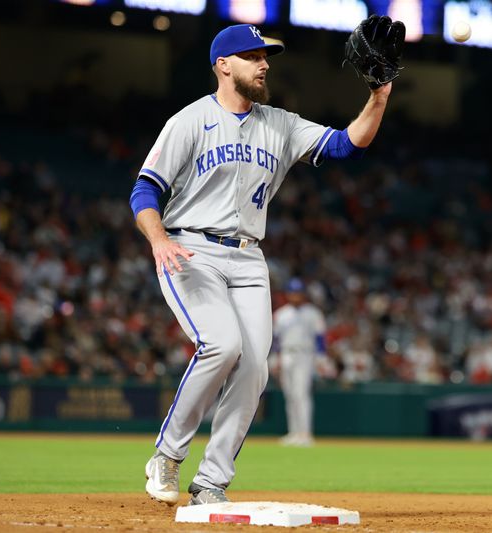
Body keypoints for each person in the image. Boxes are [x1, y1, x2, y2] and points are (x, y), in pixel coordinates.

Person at [129, 23, 393, 506]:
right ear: (223, 65)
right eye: (252, 56)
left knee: (254, 370)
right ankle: (167, 456)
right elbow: (145, 189)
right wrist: (159, 238)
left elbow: (346, 144)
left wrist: (379, 95)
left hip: (249, 257)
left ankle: (211, 482)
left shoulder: (280, 123)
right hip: (192, 250)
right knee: (222, 345)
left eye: (266, 56)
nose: (265, 63)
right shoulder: (190, 120)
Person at [272, 277, 327, 447]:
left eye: (298, 292)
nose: (295, 295)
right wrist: (275, 358)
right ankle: (294, 432)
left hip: (304, 354)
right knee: (290, 395)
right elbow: (276, 339)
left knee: (301, 394)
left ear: (303, 294)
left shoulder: (313, 312)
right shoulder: (281, 314)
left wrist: (321, 358)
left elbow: (319, 337)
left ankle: (305, 433)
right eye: (292, 292)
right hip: (287, 354)